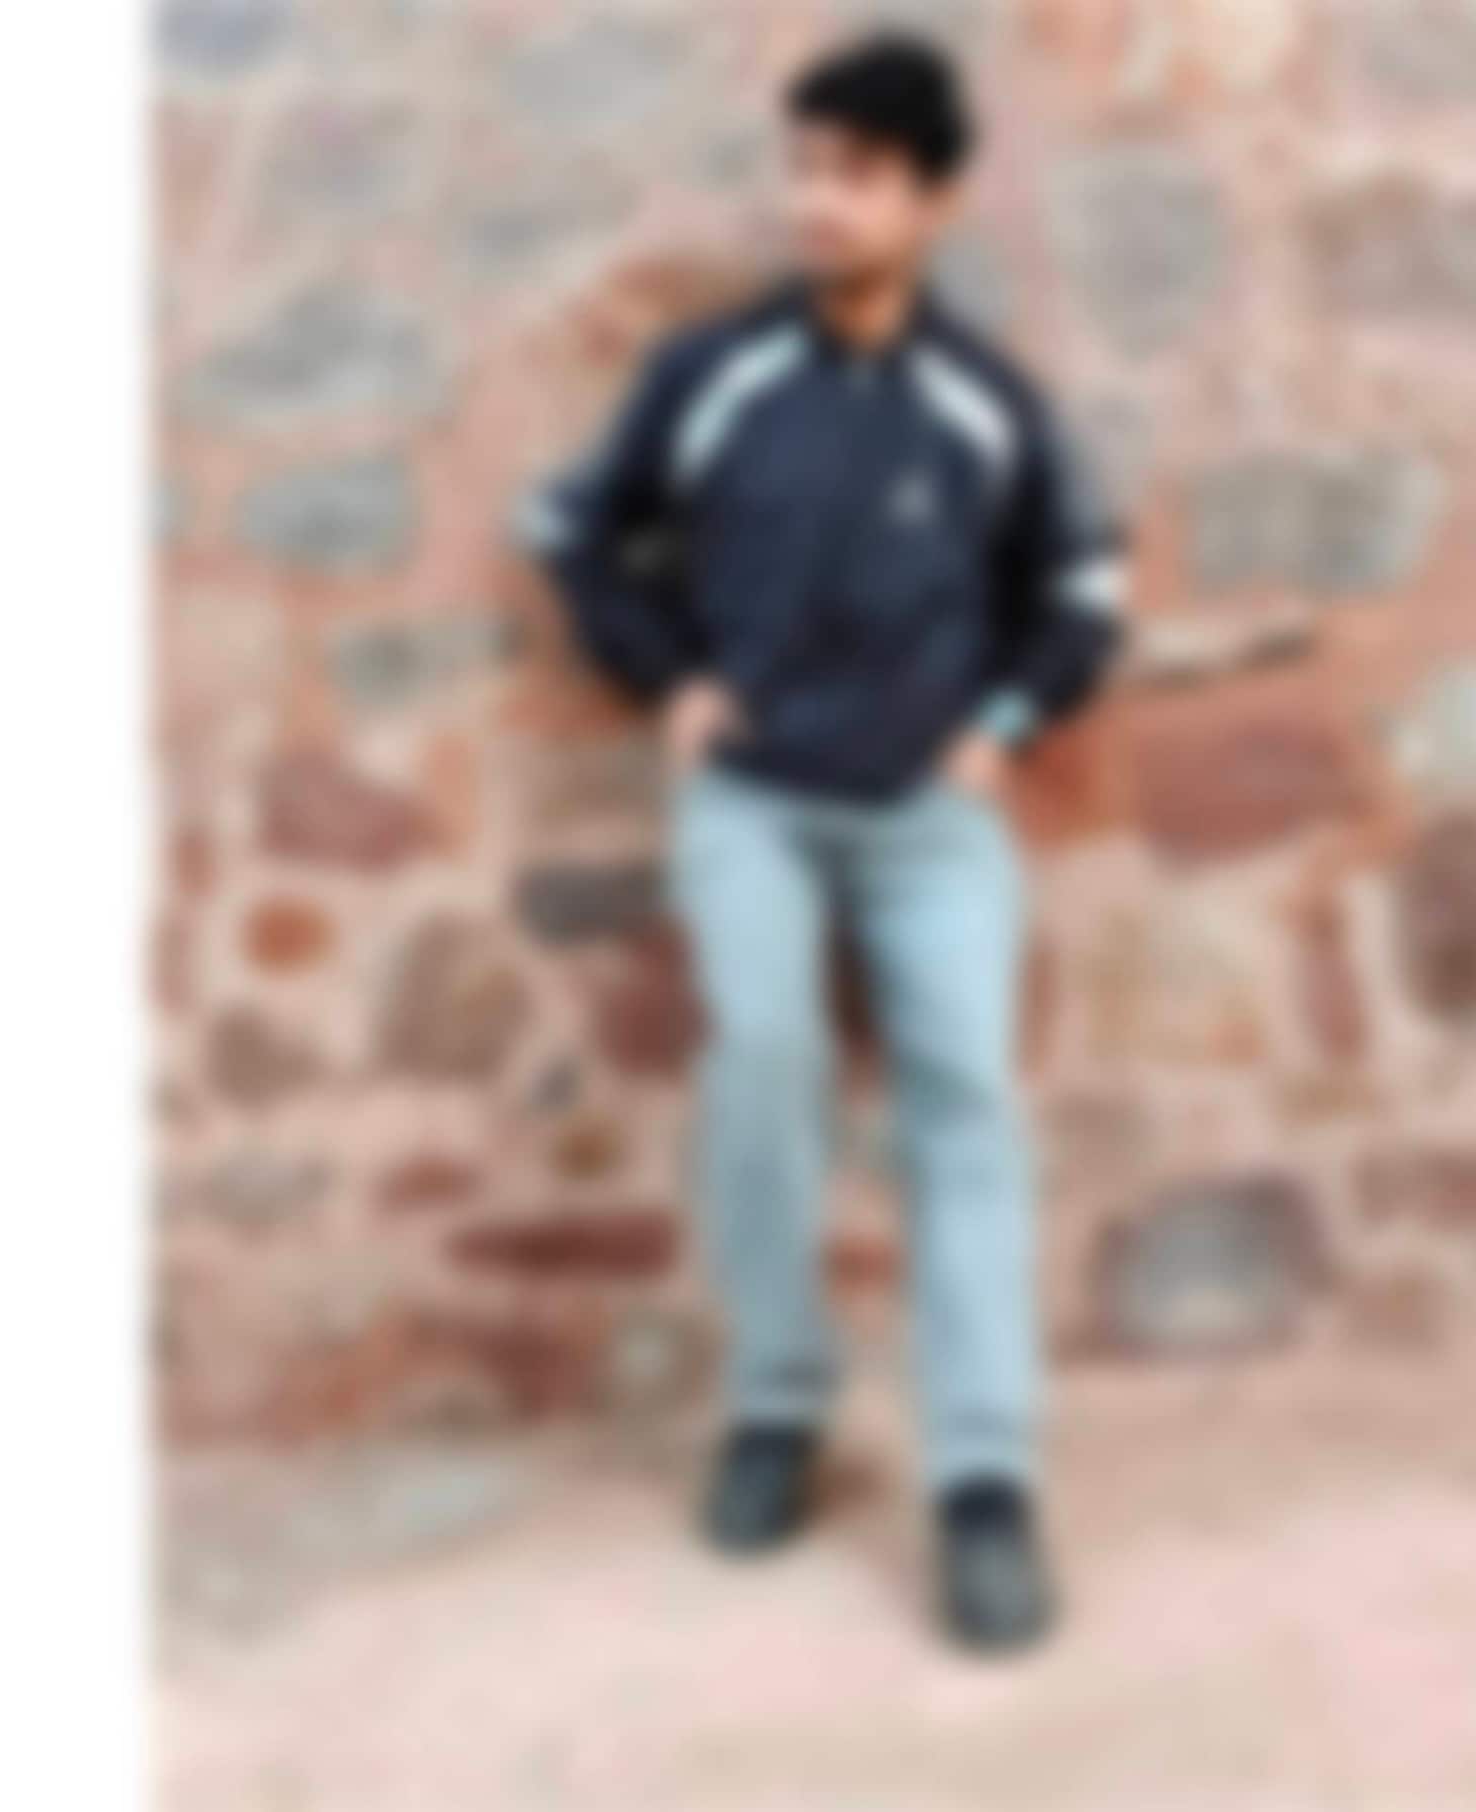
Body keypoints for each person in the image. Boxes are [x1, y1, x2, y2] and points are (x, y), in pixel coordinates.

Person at [521, 31, 1131, 1652]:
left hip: (935, 816)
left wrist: (1004, 723)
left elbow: (1083, 591)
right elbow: (571, 527)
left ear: (935, 200)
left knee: (966, 1106)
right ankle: (777, 1408)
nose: (816, 202)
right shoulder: (709, 376)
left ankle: (984, 1483)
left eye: (856, 175)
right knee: (764, 1066)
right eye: (802, 168)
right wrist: (666, 676)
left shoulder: (986, 402)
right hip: (755, 805)